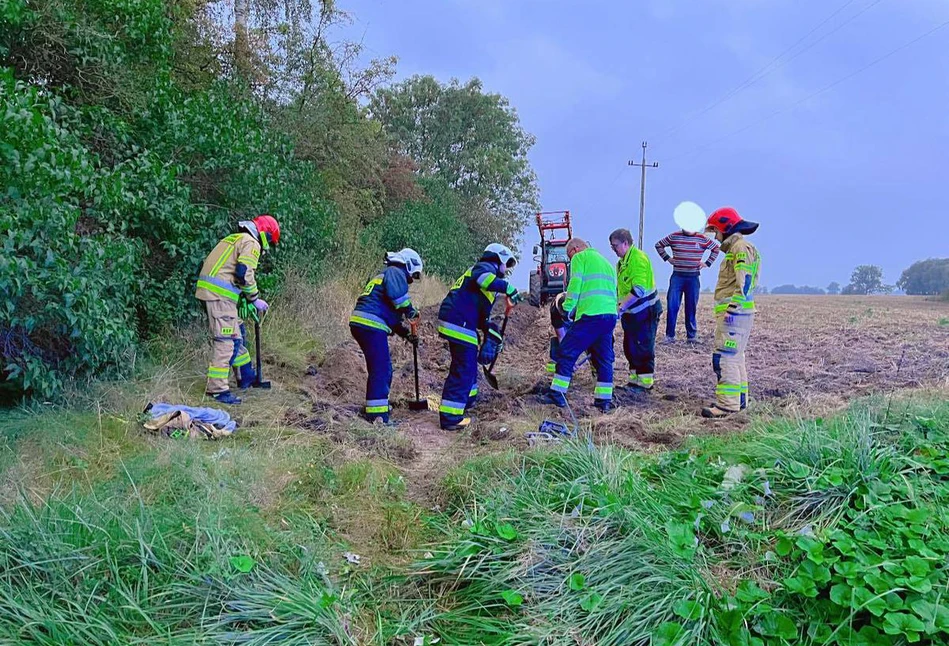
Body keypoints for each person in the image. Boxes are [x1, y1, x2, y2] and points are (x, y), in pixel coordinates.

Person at [195, 214, 281, 405]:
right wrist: (254, 298)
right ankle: (217, 390)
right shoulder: (252, 243)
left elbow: (228, 271)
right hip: (220, 296)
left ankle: (246, 377)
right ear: (266, 234)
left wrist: (242, 298)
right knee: (226, 341)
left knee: (237, 335)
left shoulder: (235, 238)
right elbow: (243, 273)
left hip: (217, 294)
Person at [437, 244, 523, 431]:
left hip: (461, 323)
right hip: (459, 323)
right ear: (498, 258)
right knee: (463, 369)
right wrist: (508, 288)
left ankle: (465, 403)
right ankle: (450, 418)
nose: (507, 269)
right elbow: (484, 279)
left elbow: (482, 319)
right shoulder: (484, 267)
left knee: (467, 367)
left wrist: (494, 337)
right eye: (507, 263)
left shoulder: (486, 289)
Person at [540, 238, 617, 412]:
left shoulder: (580, 258)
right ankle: (603, 402)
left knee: (566, 352)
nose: (570, 260)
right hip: (609, 316)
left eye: (569, 256)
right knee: (603, 360)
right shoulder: (606, 262)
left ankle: (557, 395)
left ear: (575, 249)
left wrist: (567, 308)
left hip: (590, 315)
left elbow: (575, 284)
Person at [349, 249, 424, 425]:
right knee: (382, 370)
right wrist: (410, 310)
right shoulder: (395, 272)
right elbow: (399, 299)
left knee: (380, 368)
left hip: (364, 323)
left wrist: (406, 334)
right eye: (412, 275)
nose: (411, 280)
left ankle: (377, 408)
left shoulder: (385, 275)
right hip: (371, 325)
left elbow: (392, 317)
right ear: (408, 264)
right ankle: (378, 418)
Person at [701, 207, 761, 418]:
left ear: (725, 228)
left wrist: (732, 309)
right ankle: (739, 402)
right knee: (735, 358)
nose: (716, 237)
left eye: (716, 231)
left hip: (734, 315)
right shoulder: (739, 247)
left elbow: (743, 281)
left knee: (724, 358)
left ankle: (727, 405)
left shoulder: (740, 248)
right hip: (738, 314)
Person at [610, 228, 662, 390]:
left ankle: (645, 384)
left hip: (646, 312)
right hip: (631, 314)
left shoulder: (638, 259)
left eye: (615, 246)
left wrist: (621, 308)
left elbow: (638, 289)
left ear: (626, 243)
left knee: (643, 347)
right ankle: (633, 381)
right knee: (630, 347)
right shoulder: (621, 263)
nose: (613, 250)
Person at [654, 226, 720, 344]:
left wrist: (707, 263)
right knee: (672, 306)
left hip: (693, 277)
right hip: (677, 277)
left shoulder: (702, 238)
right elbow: (659, 245)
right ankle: (670, 336)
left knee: (691, 307)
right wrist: (668, 258)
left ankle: (691, 336)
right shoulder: (674, 236)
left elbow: (716, 248)